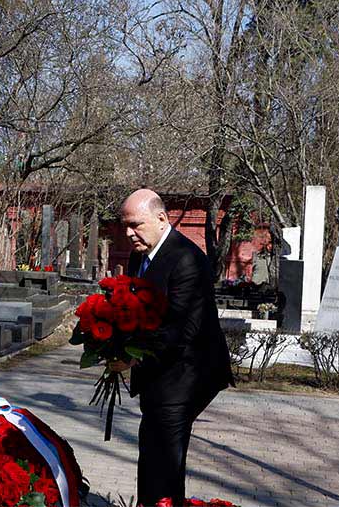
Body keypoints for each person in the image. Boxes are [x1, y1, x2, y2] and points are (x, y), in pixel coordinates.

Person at [110, 189, 233, 506]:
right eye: (125, 225)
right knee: (151, 445)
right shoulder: (140, 255)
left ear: (161, 218)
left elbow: (182, 329)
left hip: (187, 372)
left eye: (135, 224)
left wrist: (130, 358)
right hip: (158, 370)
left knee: (164, 456)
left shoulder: (188, 260)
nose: (128, 233)